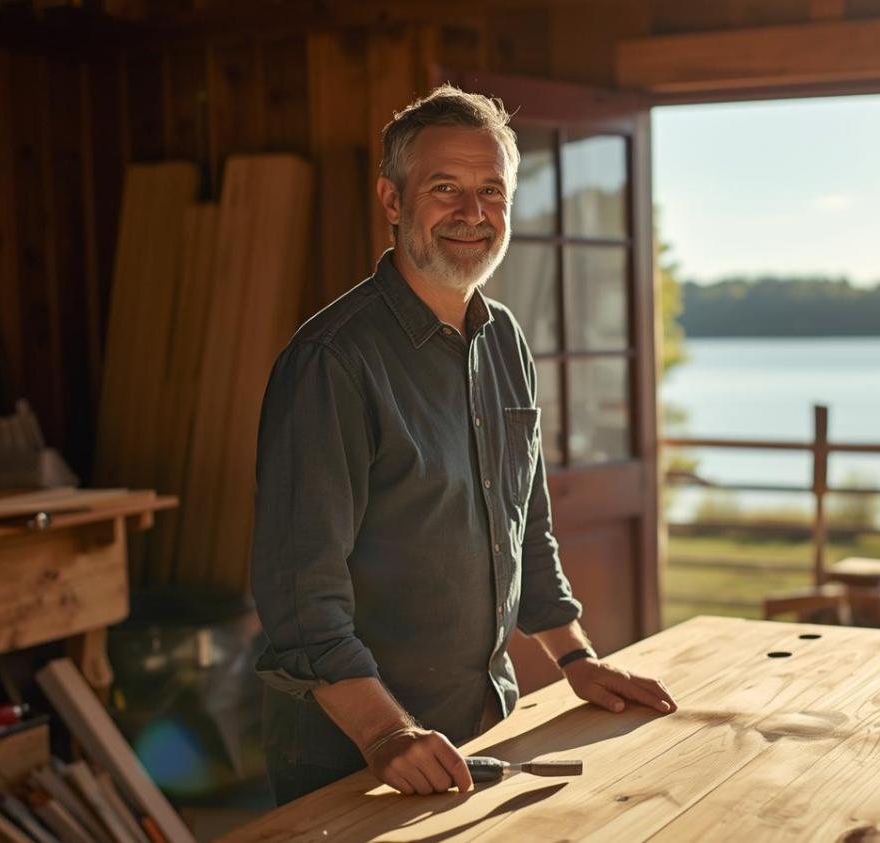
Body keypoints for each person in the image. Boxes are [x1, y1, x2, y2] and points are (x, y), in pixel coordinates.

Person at [250, 84, 676, 806]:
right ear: (392, 200)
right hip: (354, 752)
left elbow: (524, 525)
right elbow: (299, 594)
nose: (473, 212)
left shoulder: (504, 338)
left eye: (491, 190)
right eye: (444, 187)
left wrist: (576, 658)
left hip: (485, 723)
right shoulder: (331, 361)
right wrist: (387, 734)